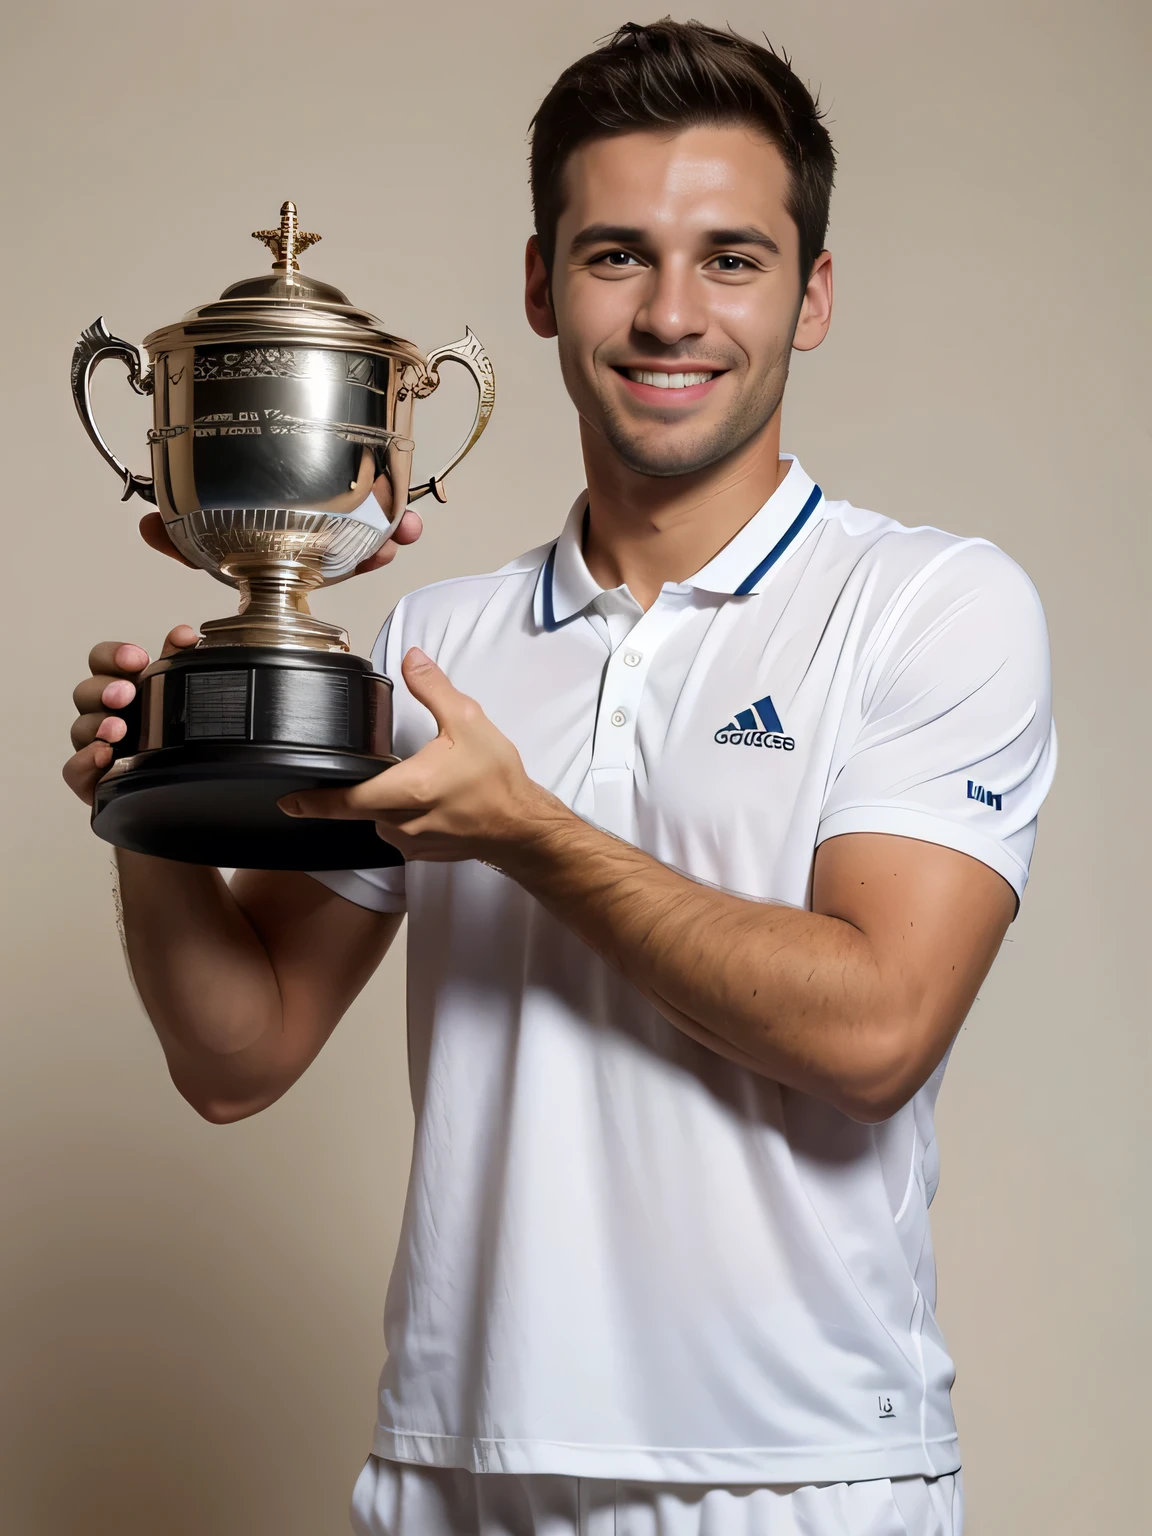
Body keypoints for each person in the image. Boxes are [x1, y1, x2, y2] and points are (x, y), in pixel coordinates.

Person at [63, 20, 1056, 1536]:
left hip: (793, 1478)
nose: (672, 314)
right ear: (538, 286)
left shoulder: (933, 604)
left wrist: (527, 830)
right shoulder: (437, 639)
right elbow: (236, 1056)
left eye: (733, 258)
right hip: (450, 1466)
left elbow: (875, 1030)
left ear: (816, 292)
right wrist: (147, 804)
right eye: (615, 256)